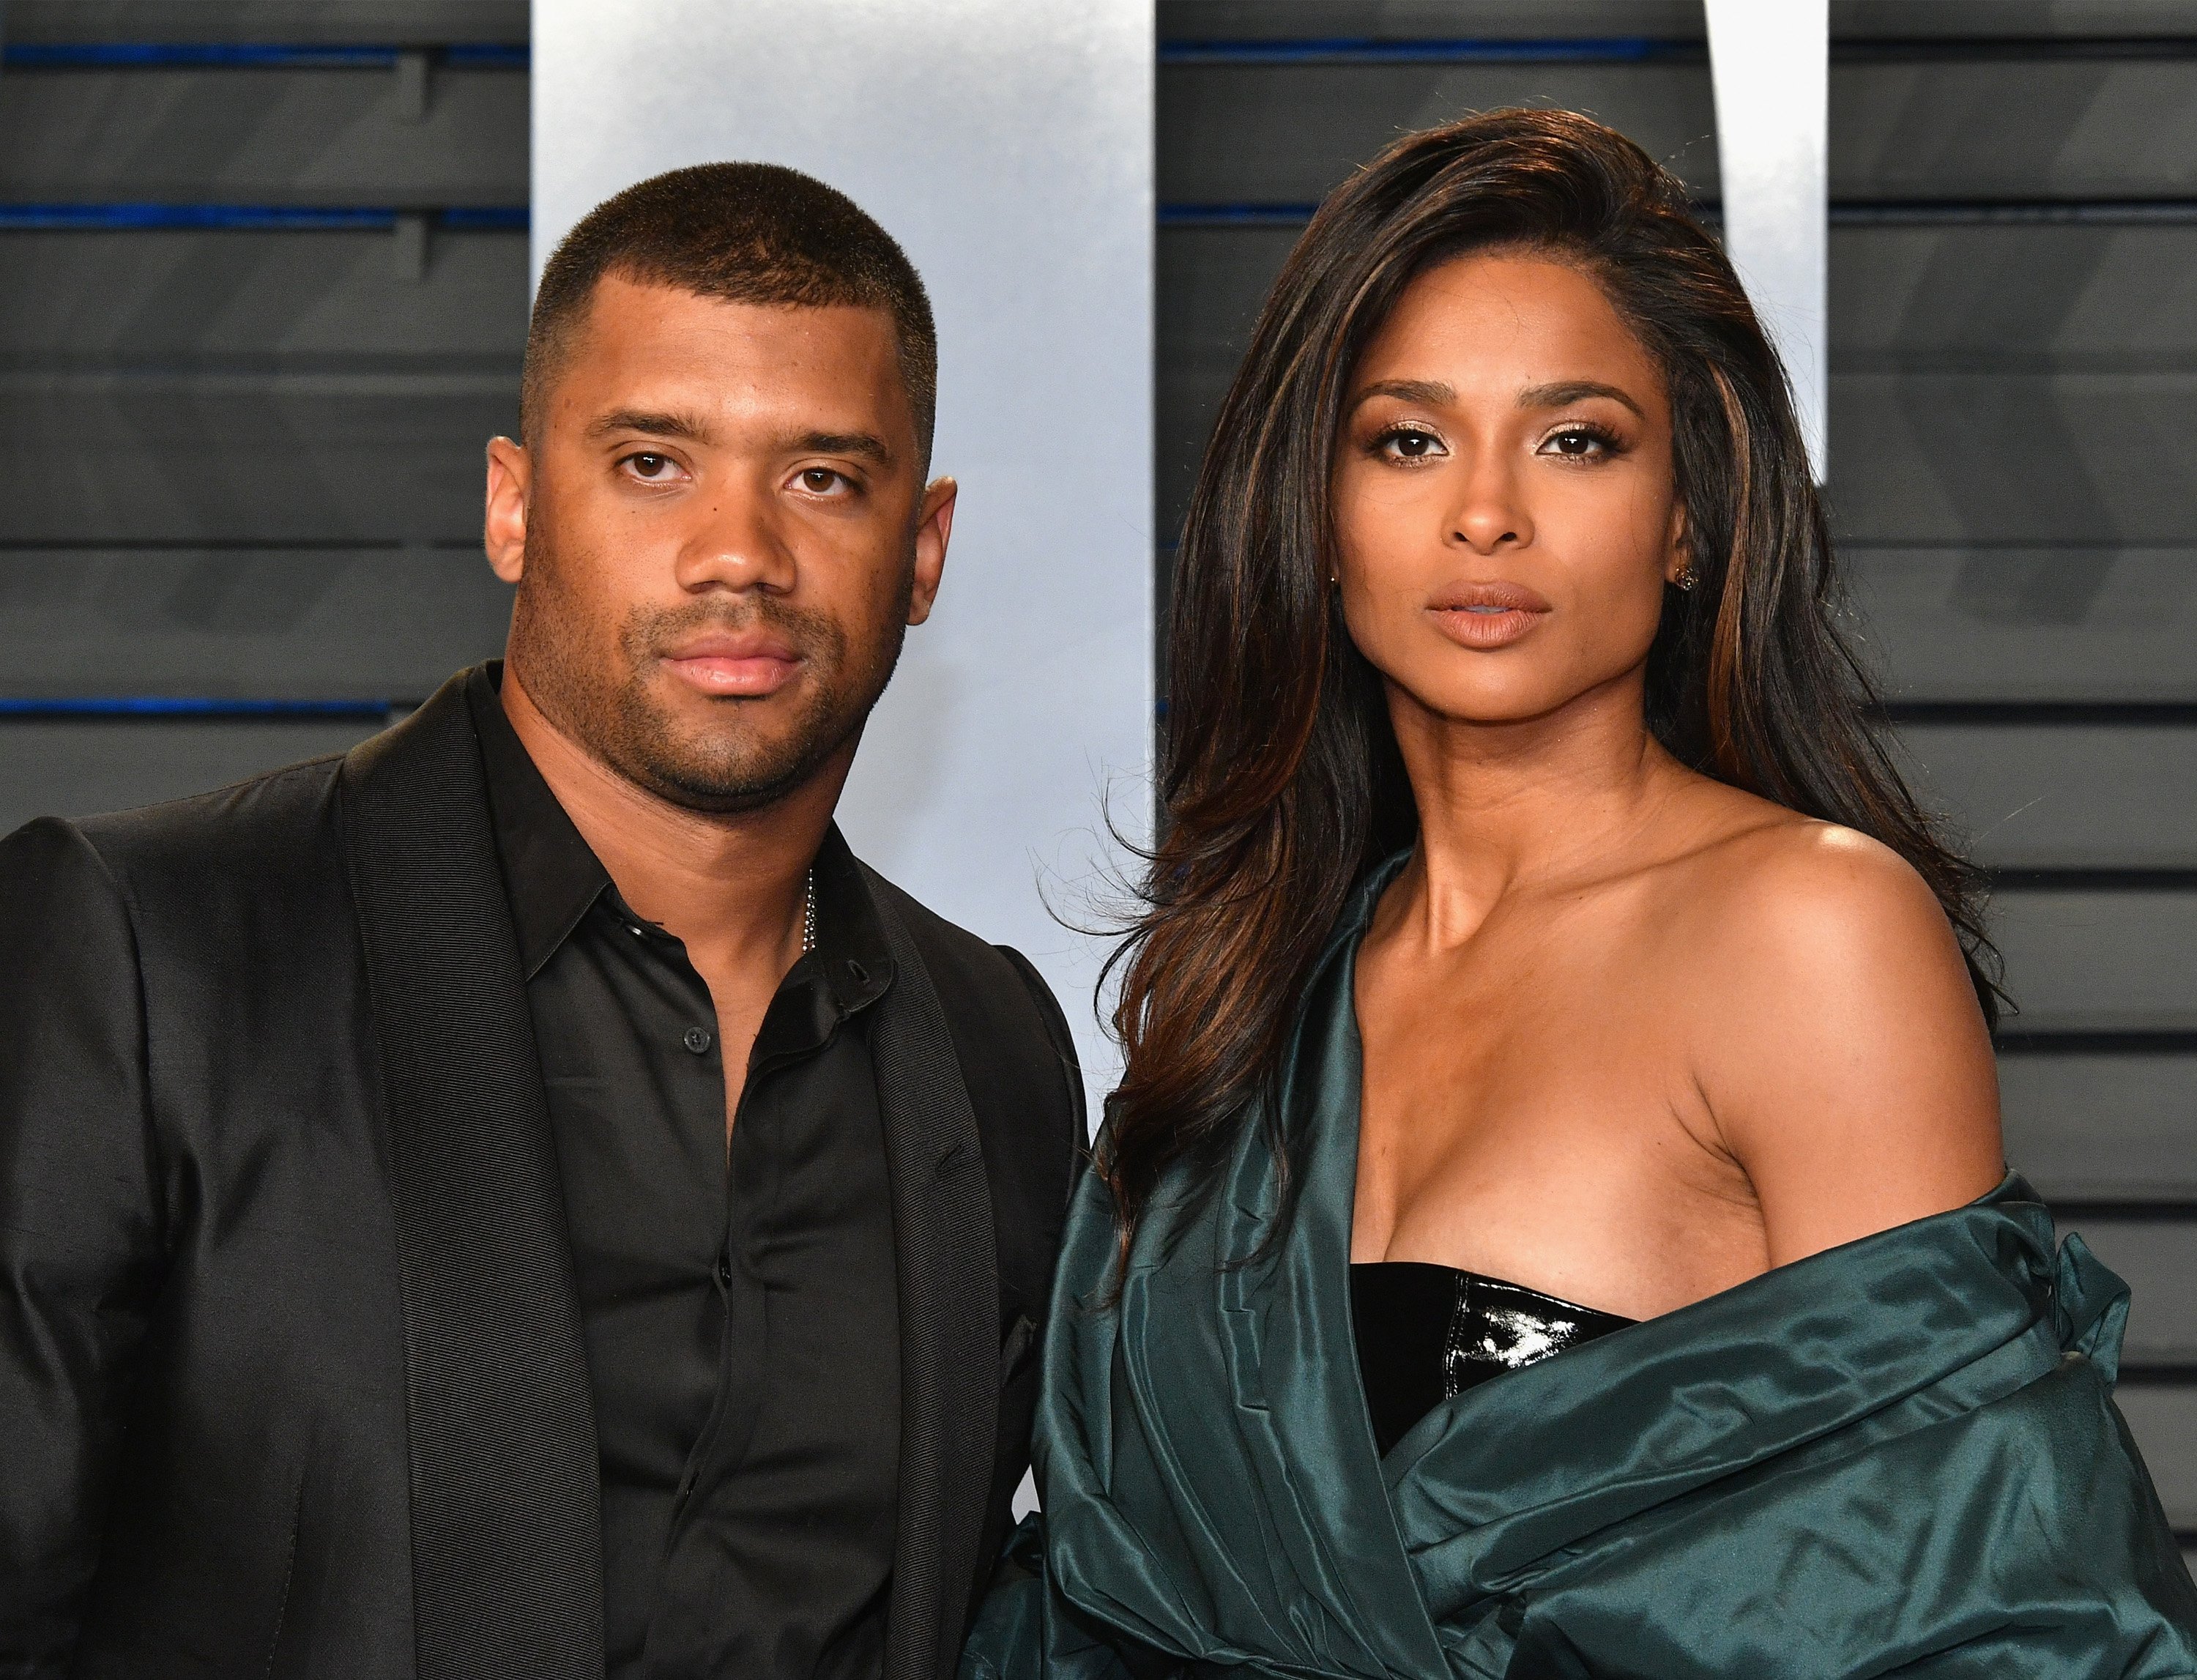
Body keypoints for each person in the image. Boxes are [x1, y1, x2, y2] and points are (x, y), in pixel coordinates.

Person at [964, 111, 2196, 1676]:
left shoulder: (1807, 932)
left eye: (1577, 439)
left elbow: (1985, 1593)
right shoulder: (1249, 993)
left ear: (1687, 519)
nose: (1486, 512)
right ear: (1317, 520)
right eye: (1407, 440)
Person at [0, 163, 1083, 1680]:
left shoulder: (999, 1054)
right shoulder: (147, 951)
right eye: (654, 464)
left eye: (822, 477)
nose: (738, 555)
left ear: (924, 550)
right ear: (514, 505)